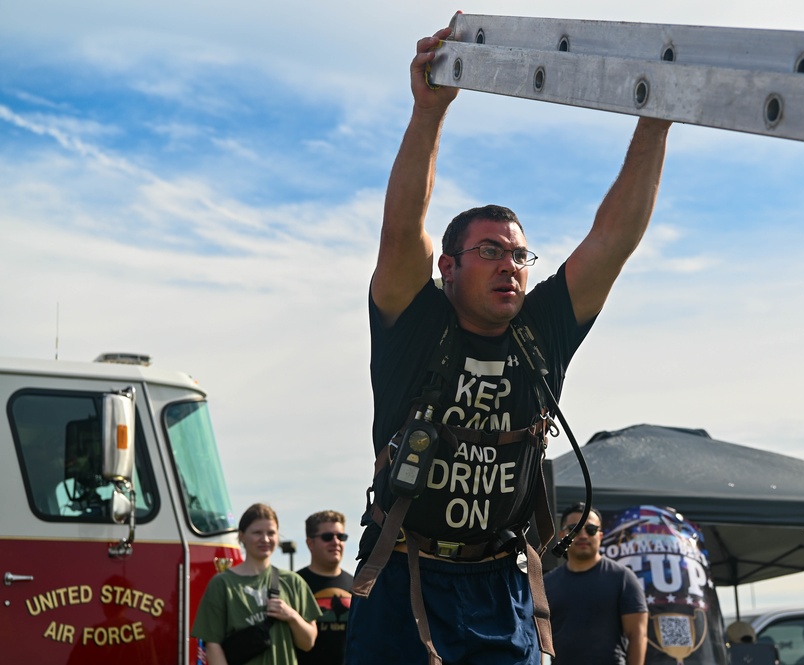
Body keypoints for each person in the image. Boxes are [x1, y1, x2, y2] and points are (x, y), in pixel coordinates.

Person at [345, 23, 671, 665]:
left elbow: (613, 239)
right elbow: (401, 227)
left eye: (520, 255)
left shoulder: (541, 329)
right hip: (403, 578)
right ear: (447, 267)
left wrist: (655, 123)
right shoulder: (414, 323)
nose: (510, 266)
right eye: (490, 251)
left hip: (501, 586)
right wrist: (428, 111)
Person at [192, 503, 320, 664]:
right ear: (241, 536)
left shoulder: (293, 582)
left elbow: (308, 643)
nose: (265, 539)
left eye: (271, 533)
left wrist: (292, 616)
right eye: (257, 532)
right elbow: (212, 645)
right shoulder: (222, 584)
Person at [544, 503, 648, 665]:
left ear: (600, 536)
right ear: (562, 535)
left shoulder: (623, 578)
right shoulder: (547, 583)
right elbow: (539, 642)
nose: (583, 535)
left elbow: (638, 636)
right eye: (575, 528)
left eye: (591, 529)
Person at [296, 510, 353, 665]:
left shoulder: (357, 585)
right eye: (327, 537)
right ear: (310, 543)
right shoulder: (294, 584)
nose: (336, 542)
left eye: (341, 537)